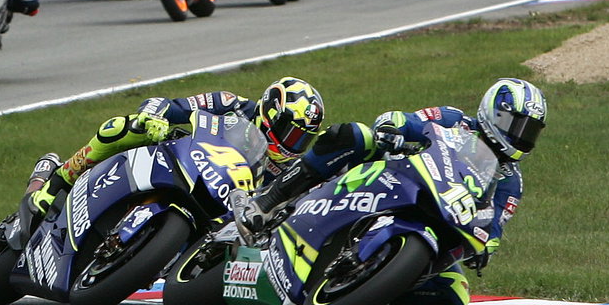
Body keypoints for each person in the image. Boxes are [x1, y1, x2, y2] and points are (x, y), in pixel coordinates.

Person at [28, 77, 414, 221]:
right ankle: (57, 180)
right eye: (287, 130)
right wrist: (157, 117)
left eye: (300, 137)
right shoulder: (231, 101)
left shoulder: (290, 166)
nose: (291, 142)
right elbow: (167, 103)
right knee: (123, 127)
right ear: (269, 110)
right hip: (181, 160)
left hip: (219, 206)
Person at [367, 78, 547, 305]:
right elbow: (403, 119)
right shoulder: (454, 119)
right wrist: (390, 129)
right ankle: (301, 183)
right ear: (495, 113)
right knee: (357, 137)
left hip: (442, 222)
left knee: (454, 297)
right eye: (516, 125)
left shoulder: (511, 180)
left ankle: (375, 290)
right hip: (396, 185)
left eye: (529, 130)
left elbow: (495, 228)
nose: (521, 136)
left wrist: (484, 250)